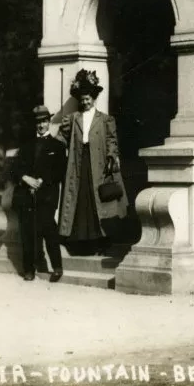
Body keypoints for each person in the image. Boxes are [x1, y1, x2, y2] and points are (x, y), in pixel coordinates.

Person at [58, 69, 128, 254]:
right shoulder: (73, 119)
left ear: (93, 98)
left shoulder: (105, 119)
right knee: (80, 199)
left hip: (99, 164)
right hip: (79, 162)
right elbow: (61, 139)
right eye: (82, 99)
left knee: (100, 200)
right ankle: (80, 243)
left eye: (88, 98)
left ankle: (102, 241)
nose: (85, 102)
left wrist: (112, 156)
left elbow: (112, 140)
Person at [11, 105, 67, 282]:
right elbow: (14, 169)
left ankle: (57, 267)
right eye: (38, 122)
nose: (41, 125)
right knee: (27, 232)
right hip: (26, 195)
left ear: (49, 122)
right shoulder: (26, 146)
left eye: (43, 121)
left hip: (47, 196)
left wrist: (42, 181)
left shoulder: (57, 146)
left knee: (49, 230)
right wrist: (25, 178)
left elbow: (60, 172)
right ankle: (29, 269)